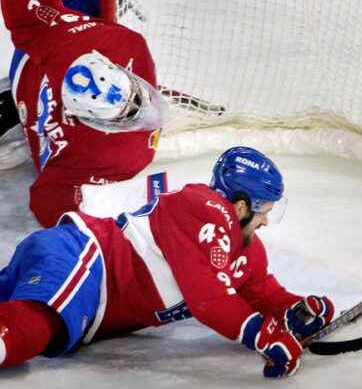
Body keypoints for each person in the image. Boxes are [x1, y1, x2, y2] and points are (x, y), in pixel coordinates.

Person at [0, 146, 335, 378]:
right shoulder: (202, 207)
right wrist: (262, 335)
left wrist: (293, 310)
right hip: (85, 260)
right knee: (35, 325)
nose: (264, 223)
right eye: (265, 213)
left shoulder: (245, 248)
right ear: (242, 205)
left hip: (90, 292)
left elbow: (258, 290)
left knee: (39, 322)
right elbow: (209, 298)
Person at [0, 0, 169, 227]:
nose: (142, 110)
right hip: (30, 73)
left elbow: (26, 13)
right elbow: (50, 206)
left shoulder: (119, 46)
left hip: (35, 71)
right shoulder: (118, 157)